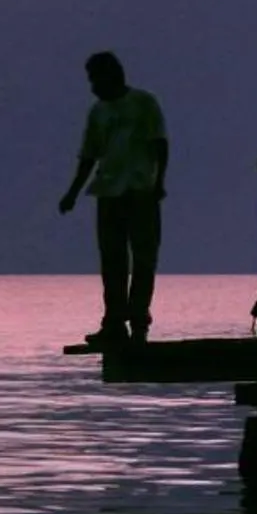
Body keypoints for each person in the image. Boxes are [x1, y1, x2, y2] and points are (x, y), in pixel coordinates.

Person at [59, 52, 168, 344]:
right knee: (112, 262)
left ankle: (139, 322)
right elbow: (89, 156)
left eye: (96, 78)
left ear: (115, 74)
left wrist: (159, 183)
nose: (93, 86)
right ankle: (114, 323)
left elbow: (160, 143)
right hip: (108, 191)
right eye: (91, 80)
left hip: (141, 189)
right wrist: (72, 192)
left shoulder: (143, 103)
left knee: (144, 259)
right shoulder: (98, 112)